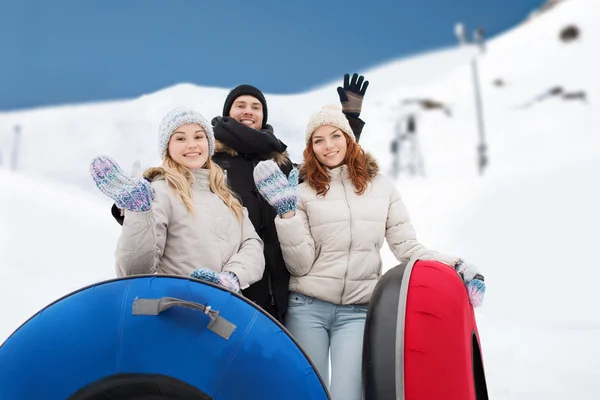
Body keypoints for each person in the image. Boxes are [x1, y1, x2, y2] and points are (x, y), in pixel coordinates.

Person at [252, 105, 485, 400]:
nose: (328, 145)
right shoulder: (303, 191)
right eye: (318, 140)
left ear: (348, 138)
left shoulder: (382, 188)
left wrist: (457, 265)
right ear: (310, 148)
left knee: (347, 395)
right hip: (308, 307)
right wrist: (287, 215)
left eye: (335, 135)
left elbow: (407, 248)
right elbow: (300, 266)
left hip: (357, 311)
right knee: (308, 394)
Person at [109, 73, 370, 324]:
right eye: (240, 105)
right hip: (226, 289)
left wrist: (349, 122)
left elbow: (325, 166)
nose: (248, 111)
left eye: (256, 107)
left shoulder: (280, 165)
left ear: (263, 116)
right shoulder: (209, 164)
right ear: (227, 113)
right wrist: (130, 208)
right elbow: (167, 186)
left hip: (278, 285)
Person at [89, 107, 265, 292]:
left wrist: (231, 277)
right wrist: (139, 213)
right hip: (177, 308)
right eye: (180, 138)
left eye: (198, 137)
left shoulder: (226, 197)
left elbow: (252, 245)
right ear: (168, 147)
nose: (192, 145)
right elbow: (134, 272)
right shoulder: (160, 192)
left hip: (227, 309)